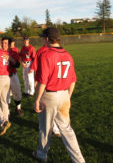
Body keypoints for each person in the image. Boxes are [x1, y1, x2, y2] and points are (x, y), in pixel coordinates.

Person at [32, 27, 85, 163]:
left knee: (45, 129)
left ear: (48, 38)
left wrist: (37, 99)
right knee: (67, 130)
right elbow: (73, 80)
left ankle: (41, 155)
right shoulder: (68, 54)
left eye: (43, 37)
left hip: (50, 96)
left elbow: (43, 81)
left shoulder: (46, 55)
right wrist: (68, 96)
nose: (42, 39)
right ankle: (79, 160)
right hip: (64, 94)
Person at [29, 35, 61, 137]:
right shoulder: (45, 51)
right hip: (52, 84)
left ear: (46, 39)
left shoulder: (46, 51)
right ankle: (53, 128)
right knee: (49, 108)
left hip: (49, 84)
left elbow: (34, 67)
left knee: (46, 108)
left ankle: (51, 128)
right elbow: (35, 66)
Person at [4, 38, 23, 116]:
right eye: (3, 43)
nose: (4, 45)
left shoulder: (13, 51)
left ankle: (18, 108)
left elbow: (17, 65)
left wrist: (10, 59)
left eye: (6, 43)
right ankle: (7, 111)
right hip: (4, 76)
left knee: (17, 92)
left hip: (13, 75)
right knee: (6, 94)